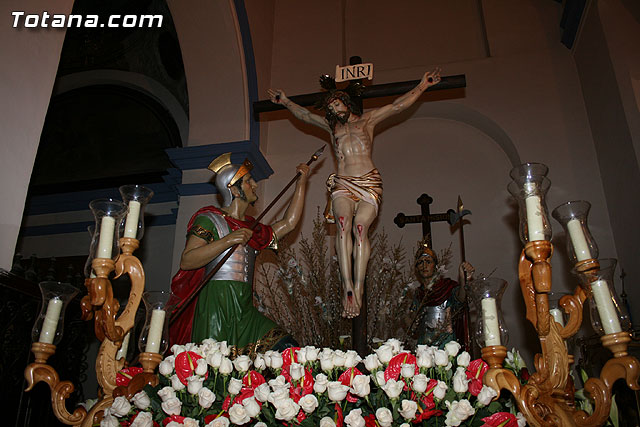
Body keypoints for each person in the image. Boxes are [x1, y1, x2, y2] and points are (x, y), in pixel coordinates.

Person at [269, 68, 442, 318]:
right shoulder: (332, 128)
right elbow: (305, 115)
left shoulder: (367, 121)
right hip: (343, 182)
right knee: (342, 224)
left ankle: (359, 287)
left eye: (336, 105)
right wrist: (285, 101)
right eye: (329, 109)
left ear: (346, 103)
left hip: (369, 181)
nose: (332, 111)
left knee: (360, 228)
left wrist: (423, 85)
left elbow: (396, 106)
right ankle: (347, 285)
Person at [169, 153, 310, 356]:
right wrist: (228, 240)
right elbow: (187, 260)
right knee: (215, 372)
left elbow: (288, 223)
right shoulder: (210, 219)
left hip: (244, 308)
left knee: (287, 349)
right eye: (248, 181)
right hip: (215, 307)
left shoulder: (251, 228)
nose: (254, 184)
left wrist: (302, 182)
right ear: (233, 189)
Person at [406, 242, 474, 348]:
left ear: (436, 266)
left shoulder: (447, 287)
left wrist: (463, 279)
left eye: (428, 261)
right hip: (424, 348)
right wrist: (400, 313)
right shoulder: (418, 295)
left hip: (446, 345)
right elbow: (413, 327)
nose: (424, 266)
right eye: (420, 262)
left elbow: (461, 298)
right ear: (416, 269)